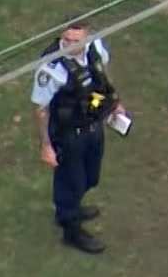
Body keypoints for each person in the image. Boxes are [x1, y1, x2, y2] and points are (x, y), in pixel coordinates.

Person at [31, 21, 127, 254]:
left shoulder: (94, 47)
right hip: (68, 135)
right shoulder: (51, 68)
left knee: (90, 177)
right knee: (70, 183)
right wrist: (46, 146)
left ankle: (70, 206)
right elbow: (41, 110)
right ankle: (70, 229)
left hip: (93, 125)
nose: (71, 45)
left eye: (77, 40)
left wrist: (113, 103)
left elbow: (102, 75)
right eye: (68, 40)